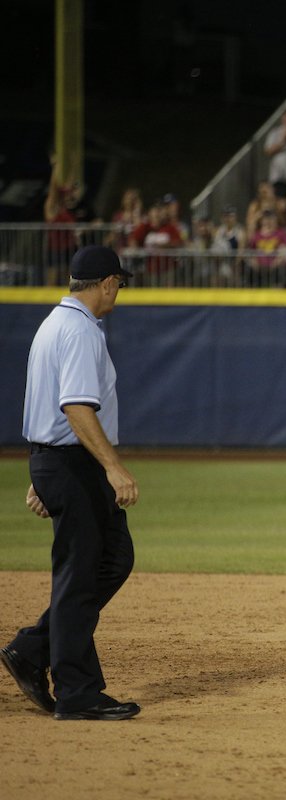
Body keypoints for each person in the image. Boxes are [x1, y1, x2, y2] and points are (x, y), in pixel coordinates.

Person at [3, 245, 141, 721]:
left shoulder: (53, 323)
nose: (118, 291)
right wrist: (112, 467)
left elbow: (48, 405)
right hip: (72, 463)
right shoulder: (80, 330)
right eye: (118, 283)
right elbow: (75, 406)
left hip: (58, 460)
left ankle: (32, 649)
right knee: (81, 575)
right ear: (107, 283)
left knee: (112, 558)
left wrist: (44, 470)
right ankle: (77, 692)